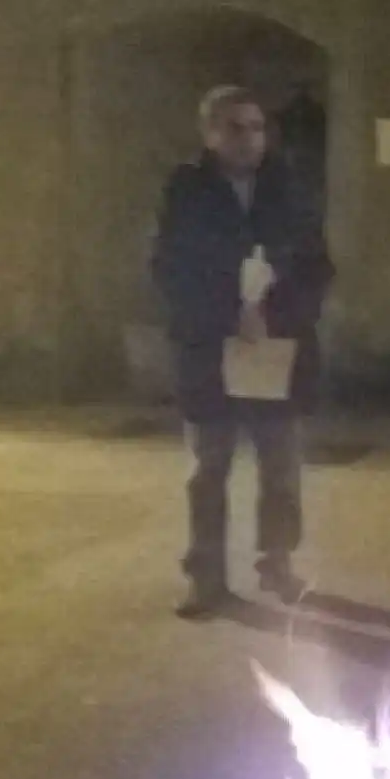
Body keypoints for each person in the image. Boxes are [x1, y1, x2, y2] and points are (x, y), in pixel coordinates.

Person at [152, 85, 334, 619]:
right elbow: (170, 267)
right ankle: (206, 577)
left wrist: (278, 305)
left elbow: (317, 264)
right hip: (211, 348)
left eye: (256, 127)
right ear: (210, 133)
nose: (249, 139)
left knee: (280, 464)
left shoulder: (289, 188)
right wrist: (228, 309)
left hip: (276, 348)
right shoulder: (187, 189)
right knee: (209, 468)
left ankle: (276, 562)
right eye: (235, 128)